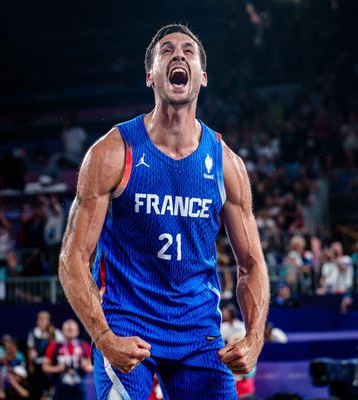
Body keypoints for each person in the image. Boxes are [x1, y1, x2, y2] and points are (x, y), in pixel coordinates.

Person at [58, 23, 270, 399]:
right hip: (128, 327)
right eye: (166, 50)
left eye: (189, 51)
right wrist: (104, 336)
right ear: (150, 76)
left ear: (202, 77)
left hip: (198, 332)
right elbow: (73, 257)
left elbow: (251, 264)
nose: (178, 55)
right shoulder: (112, 152)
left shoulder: (226, 164)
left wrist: (254, 337)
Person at [43, 320, 92, 399]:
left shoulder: (84, 346)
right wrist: (57, 368)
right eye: (68, 330)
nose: (70, 331)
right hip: (60, 387)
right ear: (62, 331)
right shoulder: (54, 346)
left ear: (77, 331)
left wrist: (86, 366)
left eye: (72, 330)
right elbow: (44, 367)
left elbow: (92, 366)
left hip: (78, 387)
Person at [27, 311, 64, 399]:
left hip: (51, 366)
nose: (41, 322)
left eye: (44, 320)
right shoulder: (33, 332)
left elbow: (61, 348)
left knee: (51, 391)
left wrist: (51, 336)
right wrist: (30, 364)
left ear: (48, 321)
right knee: (37, 391)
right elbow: (30, 349)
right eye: (40, 320)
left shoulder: (56, 333)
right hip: (37, 367)